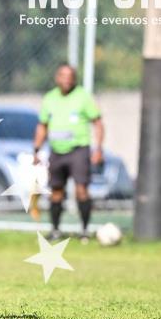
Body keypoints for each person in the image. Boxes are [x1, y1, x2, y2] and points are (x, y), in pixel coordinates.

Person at [32, 64, 104, 242]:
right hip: (56, 151)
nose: (67, 79)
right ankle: (56, 230)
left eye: (70, 76)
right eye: (63, 75)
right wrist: (36, 149)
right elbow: (42, 125)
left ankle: (84, 230)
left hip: (78, 150)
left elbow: (98, 123)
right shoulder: (50, 98)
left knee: (81, 190)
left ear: (74, 78)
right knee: (56, 191)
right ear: (57, 78)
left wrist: (98, 148)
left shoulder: (83, 97)